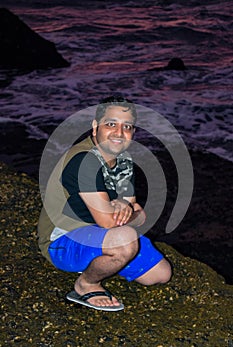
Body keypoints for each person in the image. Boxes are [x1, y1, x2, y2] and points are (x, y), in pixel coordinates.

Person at [38, 95, 172, 311]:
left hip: (98, 234)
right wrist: (126, 212)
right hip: (62, 239)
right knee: (126, 241)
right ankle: (86, 283)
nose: (119, 133)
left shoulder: (124, 162)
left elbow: (140, 216)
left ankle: (100, 260)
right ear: (95, 127)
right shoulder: (84, 161)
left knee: (160, 274)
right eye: (111, 124)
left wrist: (125, 208)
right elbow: (111, 222)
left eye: (127, 126)